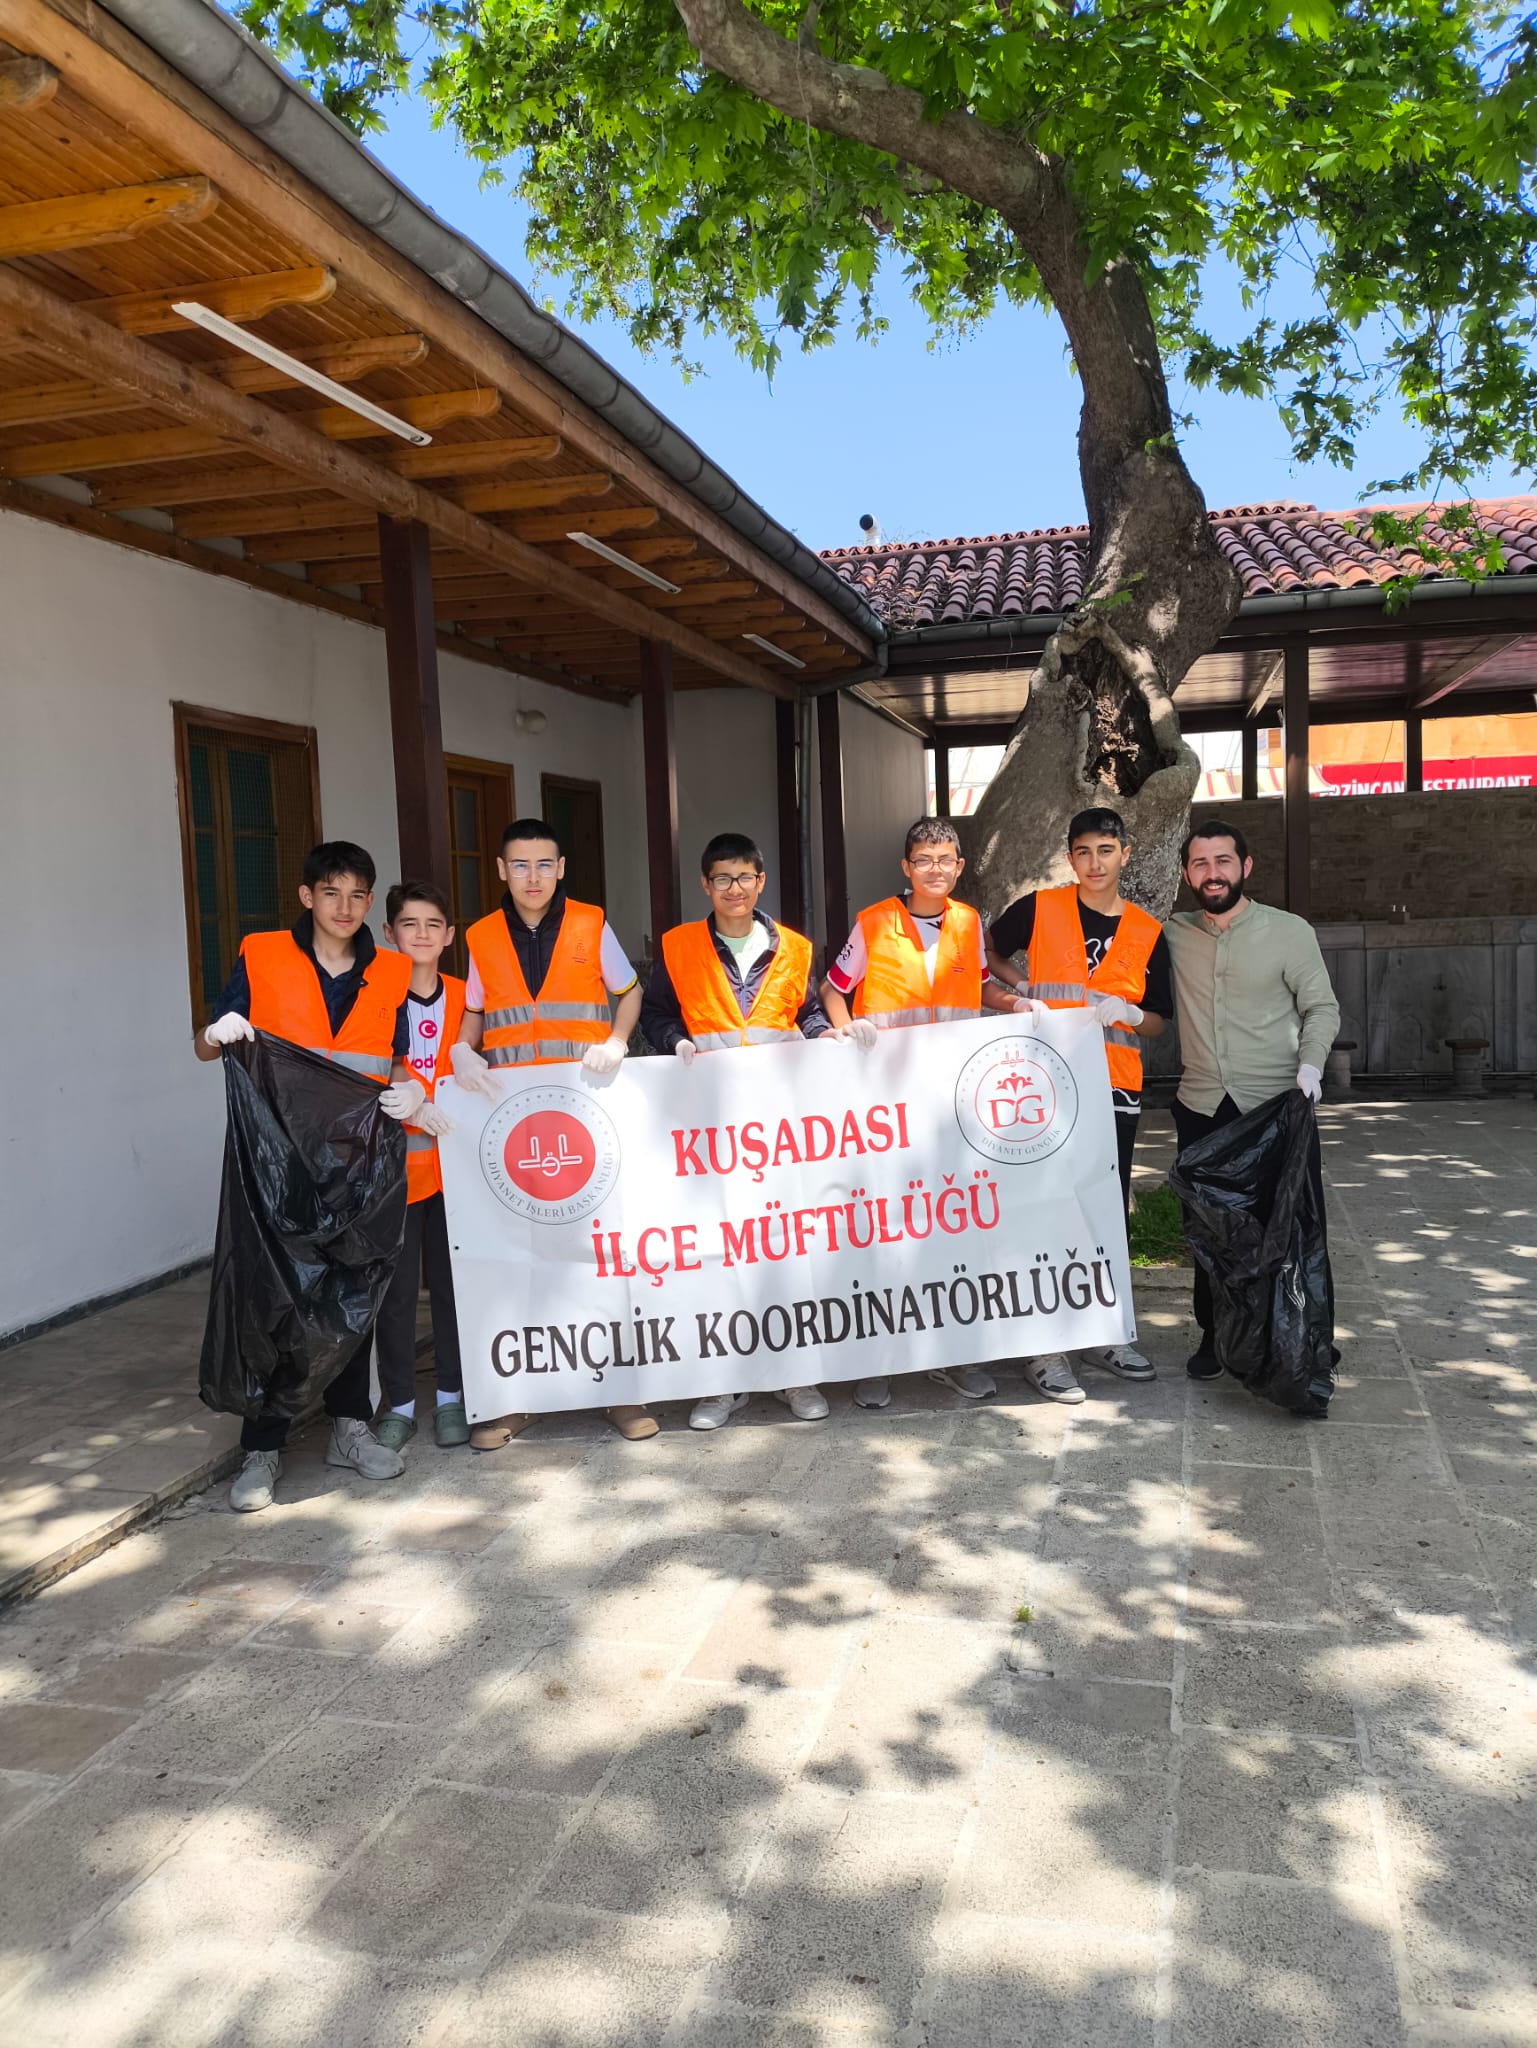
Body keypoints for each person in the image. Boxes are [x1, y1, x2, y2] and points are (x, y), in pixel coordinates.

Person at [197, 840, 421, 1512]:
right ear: (306, 896)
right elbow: (206, 1046)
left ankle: (348, 1428)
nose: (344, 907)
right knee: (274, 1301)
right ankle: (261, 1449)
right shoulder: (261, 955)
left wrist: (414, 1093)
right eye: (331, 892)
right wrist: (219, 1031)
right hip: (277, 1166)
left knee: (350, 1289)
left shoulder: (390, 971)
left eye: (357, 895)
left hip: (356, 1162)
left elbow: (397, 1058)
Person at [451, 818, 651, 1445]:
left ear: (561, 869)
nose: (531, 877)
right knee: (518, 1256)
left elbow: (629, 990)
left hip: (585, 1111)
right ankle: (518, 1397)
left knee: (599, 1249)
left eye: (544, 864)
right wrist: (461, 1049)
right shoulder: (482, 936)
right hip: (514, 1122)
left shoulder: (591, 923)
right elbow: (477, 1013)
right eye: (519, 865)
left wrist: (618, 1041)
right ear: (502, 872)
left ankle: (620, 1391)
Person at [820, 816, 1017, 1411]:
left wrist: (1020, 1003)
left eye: (945, 860)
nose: (935, 869)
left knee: (954, 1229)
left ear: (959, 868)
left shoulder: (967, 922)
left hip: (950, 1109)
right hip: (885, 1108)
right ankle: (880, 1359)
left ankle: (954, 1357)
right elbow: (834, 988)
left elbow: (982, 987)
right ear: (907, 868)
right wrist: (841, 1027)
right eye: (923, 859)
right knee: (886, 1232)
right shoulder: (875, 922)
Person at [643, 832, 833, 1430]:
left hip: (781, 1128)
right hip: (710, 1128)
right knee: (718, 1252)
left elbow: (809, 1011)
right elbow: (653, 1013)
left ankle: (796, 1377)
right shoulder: (678, 947)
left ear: (761, 881)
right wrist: (675, 1041)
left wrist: (828, 1036)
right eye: (722, 879)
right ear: (705, 885)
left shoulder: (796, 949)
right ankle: (721, 1382)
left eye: (744, 877)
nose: (734, 889)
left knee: (787, 1248)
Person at [985, 806, 1173, 1401]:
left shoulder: (1147, 931)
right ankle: (1045, 1347)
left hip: (1115, 1087)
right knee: (1045, 1208)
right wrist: (1018, 990)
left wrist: (1132, 1014)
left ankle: (1104, 1331)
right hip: (1045, 1087)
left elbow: (1159, 1023)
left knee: (1104, 1211)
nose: (1095, 863)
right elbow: (986, 955)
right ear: (1071, 858)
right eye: (1084, 851)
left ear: (1125, 853)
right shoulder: (1040, 909)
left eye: (1106, 850)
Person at [1164, 819, 1341, 1379]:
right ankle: (1214, 1336)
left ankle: (1300, 1337)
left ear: (1245, 867)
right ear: (1187, 873)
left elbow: (1322, 1008)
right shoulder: (1172, 934)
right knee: (1210, 1229)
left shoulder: (1290, 932)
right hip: (1201, 1105)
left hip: (1274, 1107)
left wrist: (1310, 1064)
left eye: (1222, 861)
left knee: (1287, 1226)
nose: (1211, 873)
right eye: (1199, 864)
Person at [372, 881, 469, 1454]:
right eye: (410, 924)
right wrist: (397, 1083)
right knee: (398, 1292)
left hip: (458, 1173)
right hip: (395, 1174)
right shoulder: (373, 996)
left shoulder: (464, 995)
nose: (423, 935)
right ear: (390, 933)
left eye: (434, 924)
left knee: (457, 1287)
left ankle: (454, 1398)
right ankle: (401, 1404)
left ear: (449, 935)